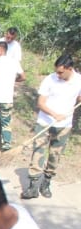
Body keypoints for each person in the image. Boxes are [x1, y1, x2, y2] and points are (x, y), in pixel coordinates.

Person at [21, 54, 81, 199]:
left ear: (69, 69)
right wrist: (54, 114)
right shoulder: (50, 79)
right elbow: (41, 103)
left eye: (61, 72)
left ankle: (46, 184)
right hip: (44, 123)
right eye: (57, 71)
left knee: (55, 156)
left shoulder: (79, 81)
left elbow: (78, 98)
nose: (58, 75)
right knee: (38, 153)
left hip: (64, 126)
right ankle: (33, 187)